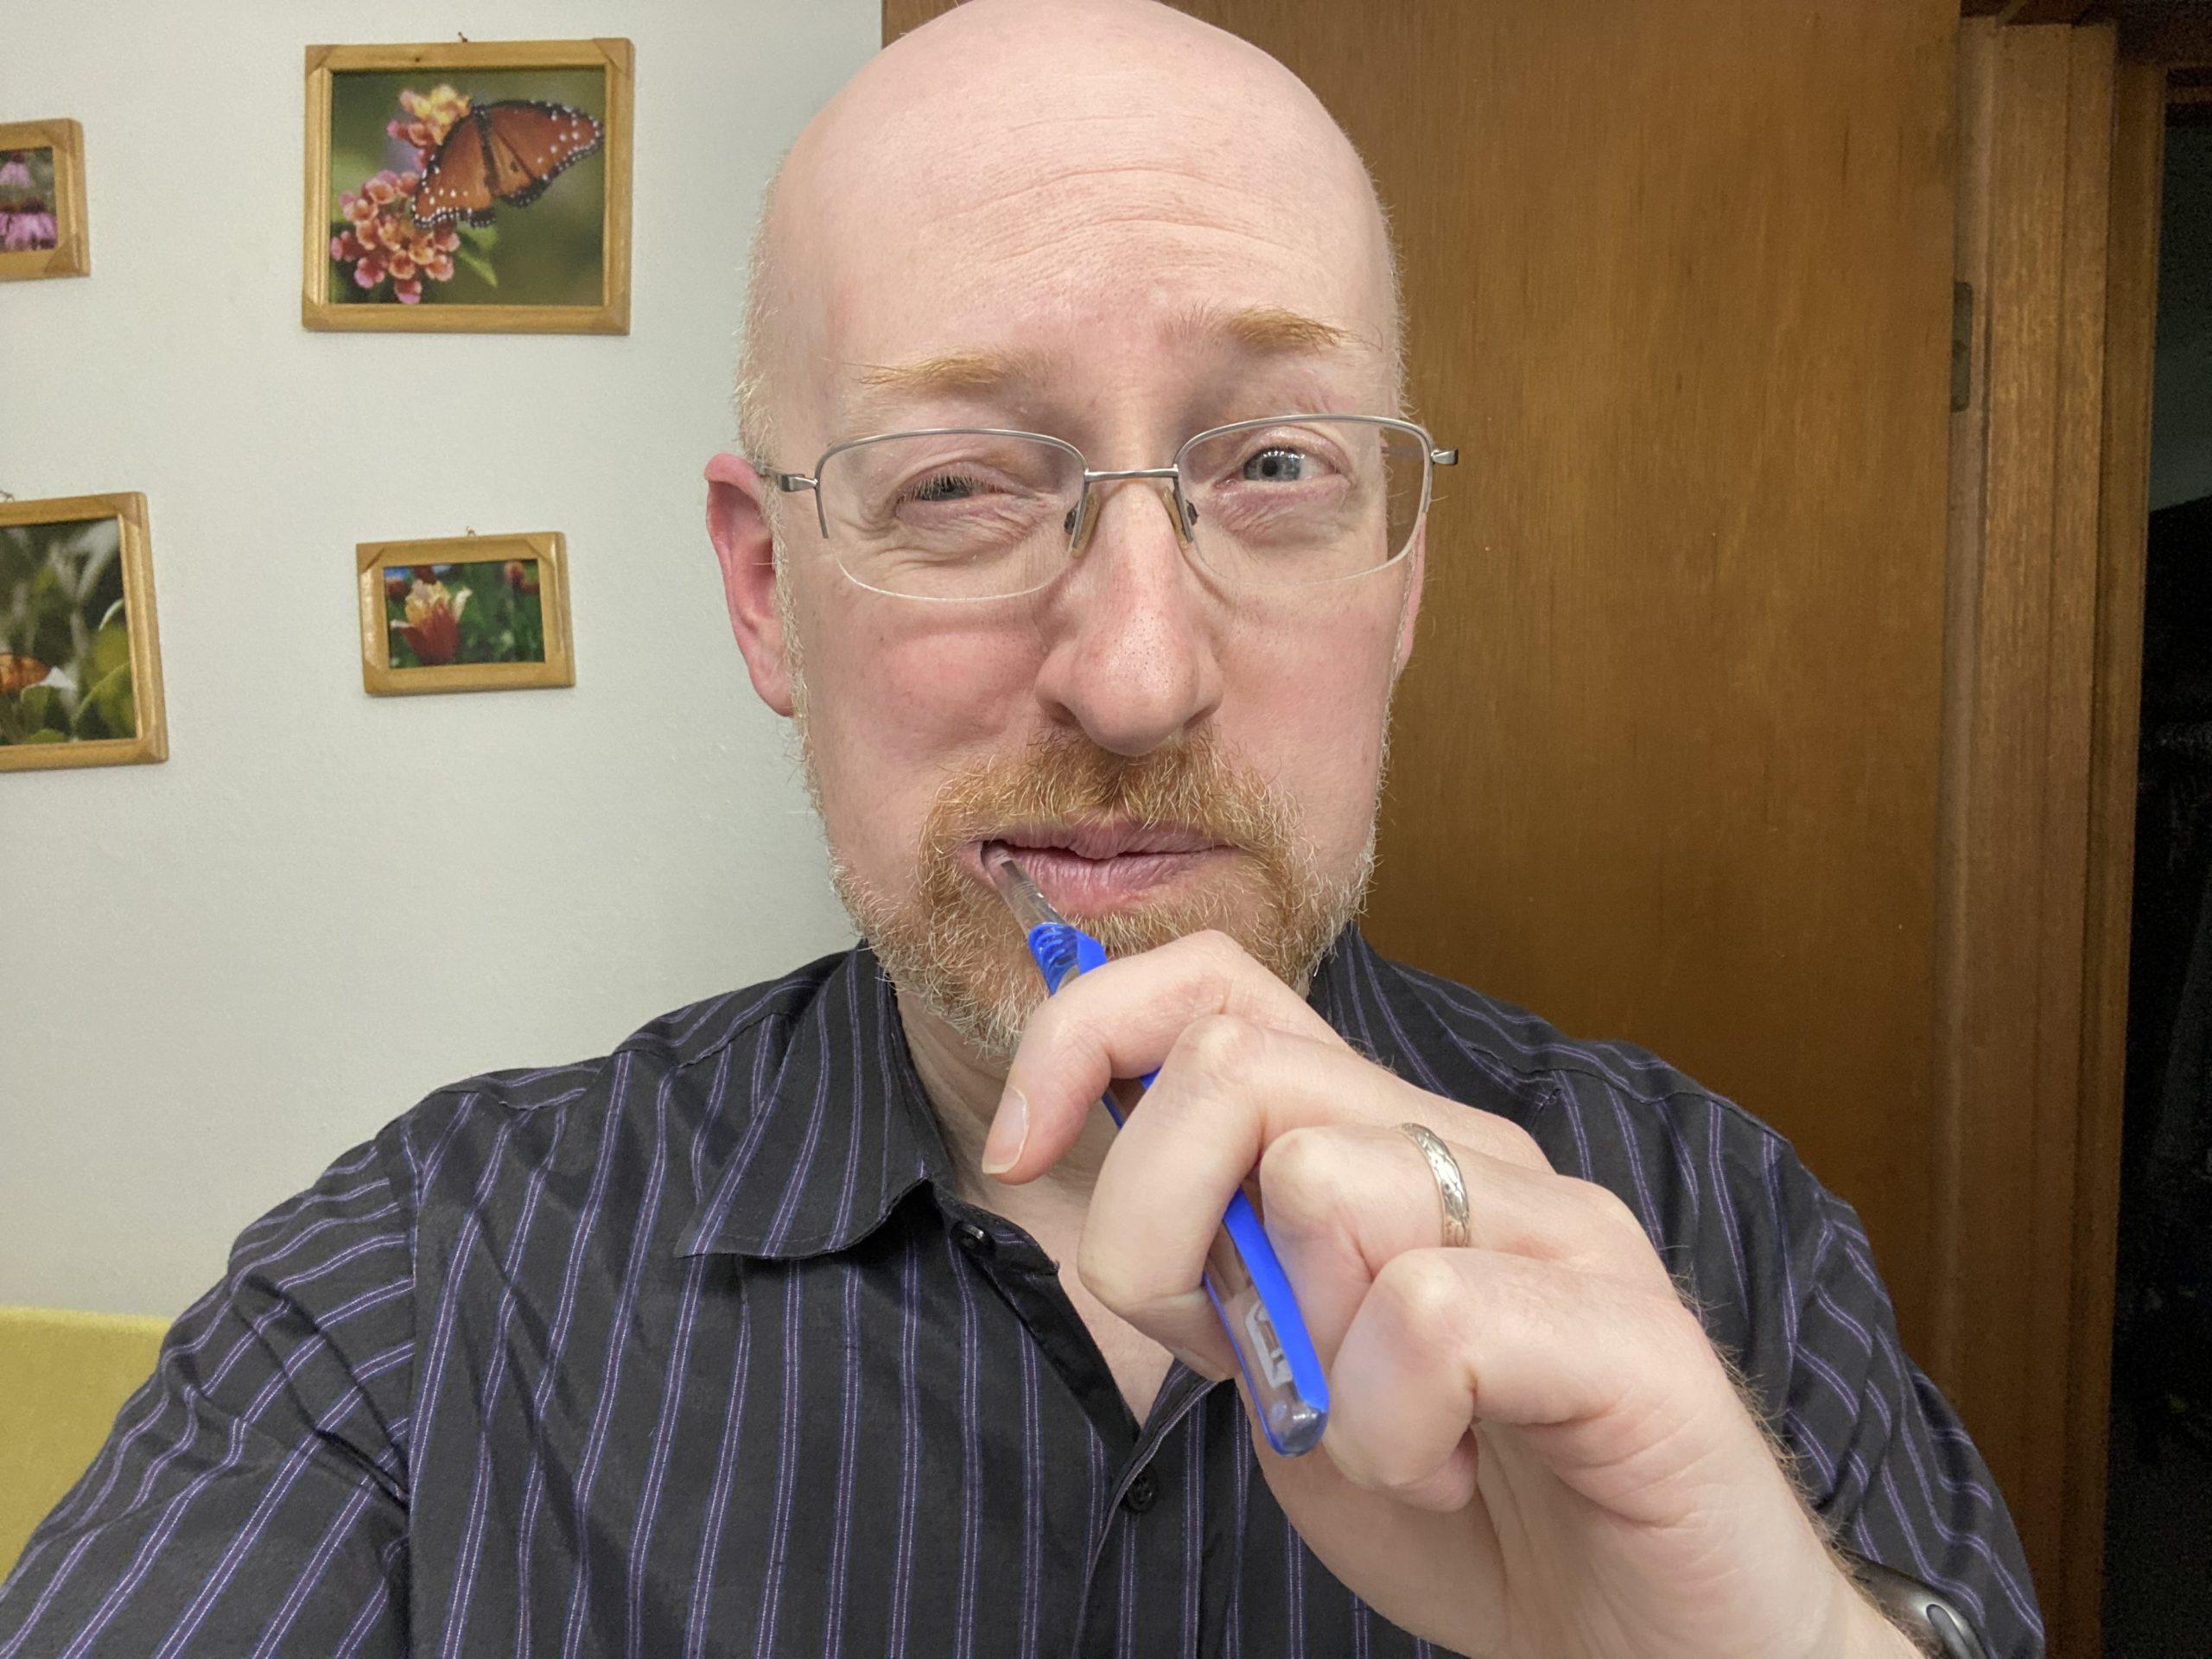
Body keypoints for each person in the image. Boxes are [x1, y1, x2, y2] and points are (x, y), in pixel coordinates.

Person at [0, 2, 2041, 1654]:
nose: (1138, 677)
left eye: (1271, 464)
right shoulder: (418, 1297)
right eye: (963, 484)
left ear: (1400, 577)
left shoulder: (1723, 1242)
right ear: (760, 589)